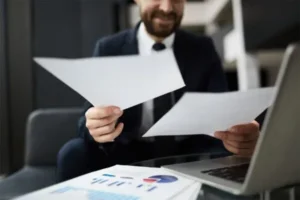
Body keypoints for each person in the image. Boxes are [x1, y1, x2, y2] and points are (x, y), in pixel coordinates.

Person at [57, 0, 262, 182]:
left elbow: (223, 113)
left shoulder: (203, 48)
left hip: (190, 150)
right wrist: (96, 127)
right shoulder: (108, 48)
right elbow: (84, 124)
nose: (167, 7)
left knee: (242, 155)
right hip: (126, 150)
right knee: (73, 152)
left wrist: (240, 134)